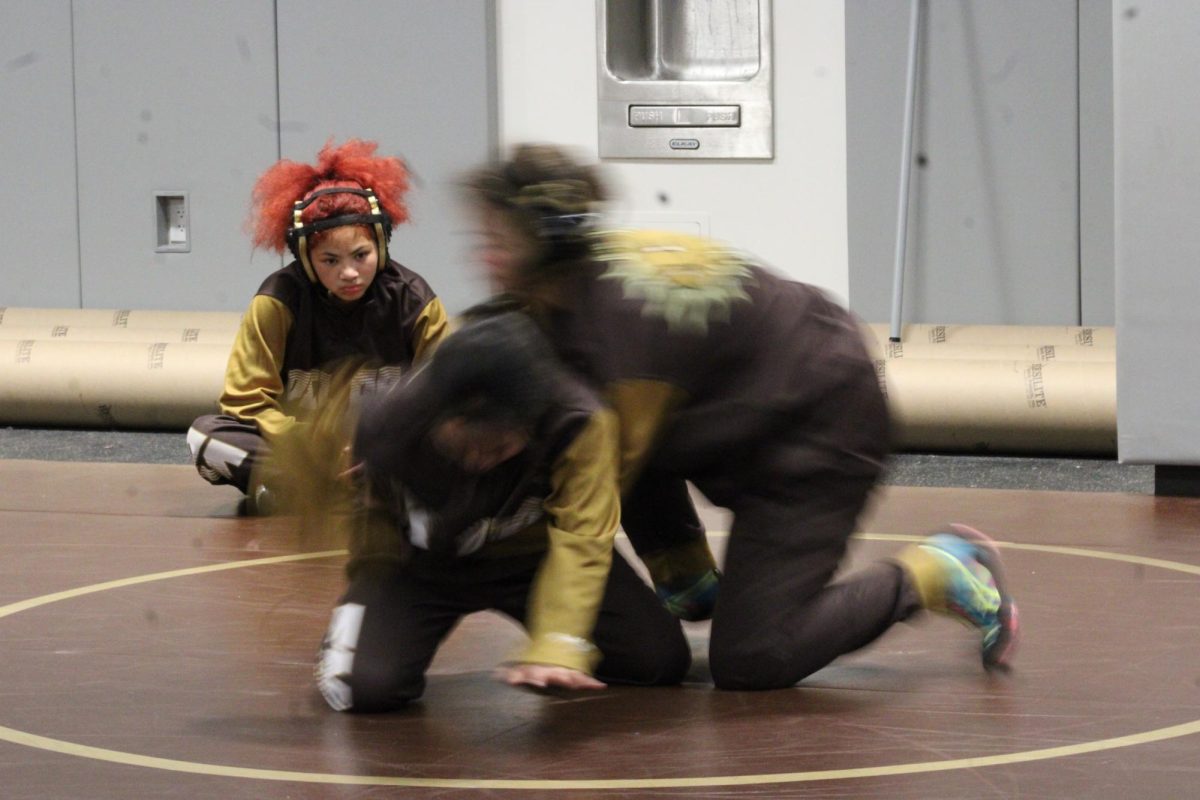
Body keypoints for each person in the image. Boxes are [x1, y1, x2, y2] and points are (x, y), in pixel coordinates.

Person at [460, 144, 1020, 690]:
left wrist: (559, 637)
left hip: (821, 422)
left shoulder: (623, 330)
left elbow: (592, 491)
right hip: (748, 395)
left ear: (546, 244)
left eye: (498, 243)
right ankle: (691, 578)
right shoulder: (574, 277)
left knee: (754, 657)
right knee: (583, 407)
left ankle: (935, 571)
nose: (483, 259)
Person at [314, 310, 691, 710]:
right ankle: (350, 644)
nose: (480, 458)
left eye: (499, 447)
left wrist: (558, 642)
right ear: (438, 414)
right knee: (361, 689)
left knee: (658, 662)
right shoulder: (389, 420)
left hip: (534, 560)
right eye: (465, 443)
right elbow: (372, 531)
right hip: (425, 565)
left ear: (531, 422)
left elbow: (583, 537)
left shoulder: (578, 420)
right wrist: (369, 597)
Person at [187, 139, 449, 512]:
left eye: (362, 255)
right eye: (329, 260)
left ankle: (308, 495)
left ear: (381, 245)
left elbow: (447, 394)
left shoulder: (414, 299)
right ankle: (347, 495)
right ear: (306, 259)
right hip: (305, 449)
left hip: (385, 451)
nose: (349, 273)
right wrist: (315, 444)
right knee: (205, 437)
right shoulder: (276, 301)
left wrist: (381, 445)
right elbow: (244, 400)